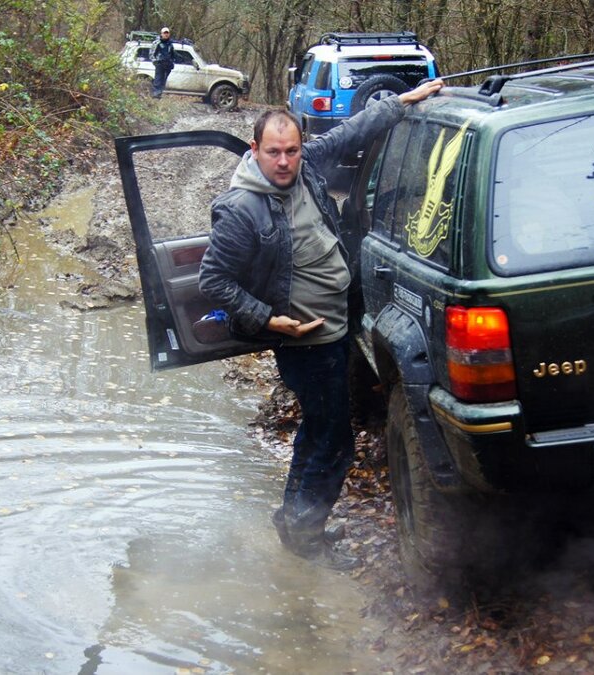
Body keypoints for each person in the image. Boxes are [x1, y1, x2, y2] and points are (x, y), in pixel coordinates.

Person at [199, 78, 445, 570]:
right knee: (334, 443)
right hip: (304, 342)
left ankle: (294, 522)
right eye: (274, 152)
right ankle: (307, 543)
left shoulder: (306, 168)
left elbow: (349, 133)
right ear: (254, 149)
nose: (284, 162)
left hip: (336, 326)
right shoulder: (242, 208)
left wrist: (401, 102)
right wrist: (271, 320)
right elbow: (214, 281)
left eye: (291, 150)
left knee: (317, 432)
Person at [149, 28, 175, 99]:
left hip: (168, 65)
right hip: (159, 64)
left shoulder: (170, 44)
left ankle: (159, 94)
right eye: (164, 33)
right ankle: (155, 95)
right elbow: (151, 54)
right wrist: (156, 62)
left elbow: (173, 54)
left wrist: (172, 62)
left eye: (167, 33)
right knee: (158, 80)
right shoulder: (157, 43)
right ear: (161, 34)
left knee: (163, 80)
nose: (166, 34)